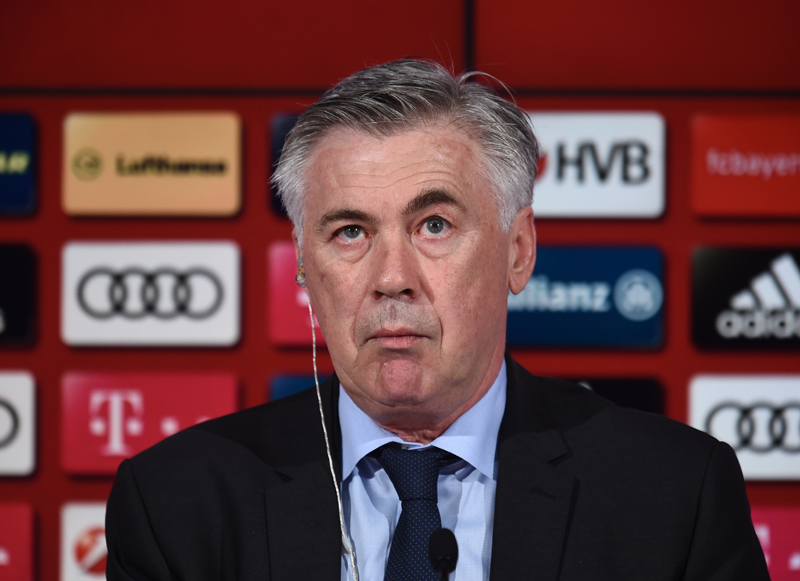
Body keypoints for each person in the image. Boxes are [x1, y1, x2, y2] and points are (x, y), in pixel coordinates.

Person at [106, 59, 769, 581]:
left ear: (518, 251)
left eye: (434, 225)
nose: (392, 277)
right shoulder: (177, 503)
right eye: (349, 231)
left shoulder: (675, 495)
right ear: (305, 266)